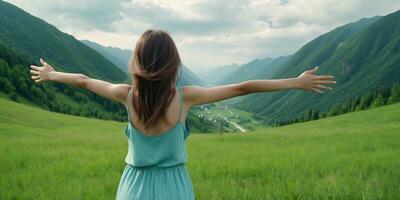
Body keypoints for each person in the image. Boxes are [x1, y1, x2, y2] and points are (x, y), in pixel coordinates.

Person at [29, 29, 336, 200]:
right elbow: (244, 87)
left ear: (137, 63)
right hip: (174, 187)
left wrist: (53, 75)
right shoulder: (185, 98)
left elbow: (83, 81)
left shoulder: (125, 96)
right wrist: (294, 82)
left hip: (133, 188)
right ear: (172, 63)